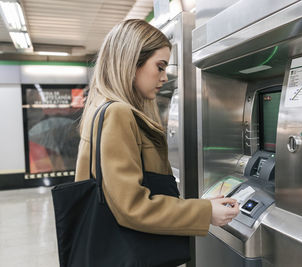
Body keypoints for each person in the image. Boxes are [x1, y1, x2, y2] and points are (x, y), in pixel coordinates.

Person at [75, 19, 239, 240]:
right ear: (131, 62)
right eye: (159, 67)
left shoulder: (101, 107)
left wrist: (199, 206)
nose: (164, 77)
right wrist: (205, 213)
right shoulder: (118, 114)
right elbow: (132, 207)